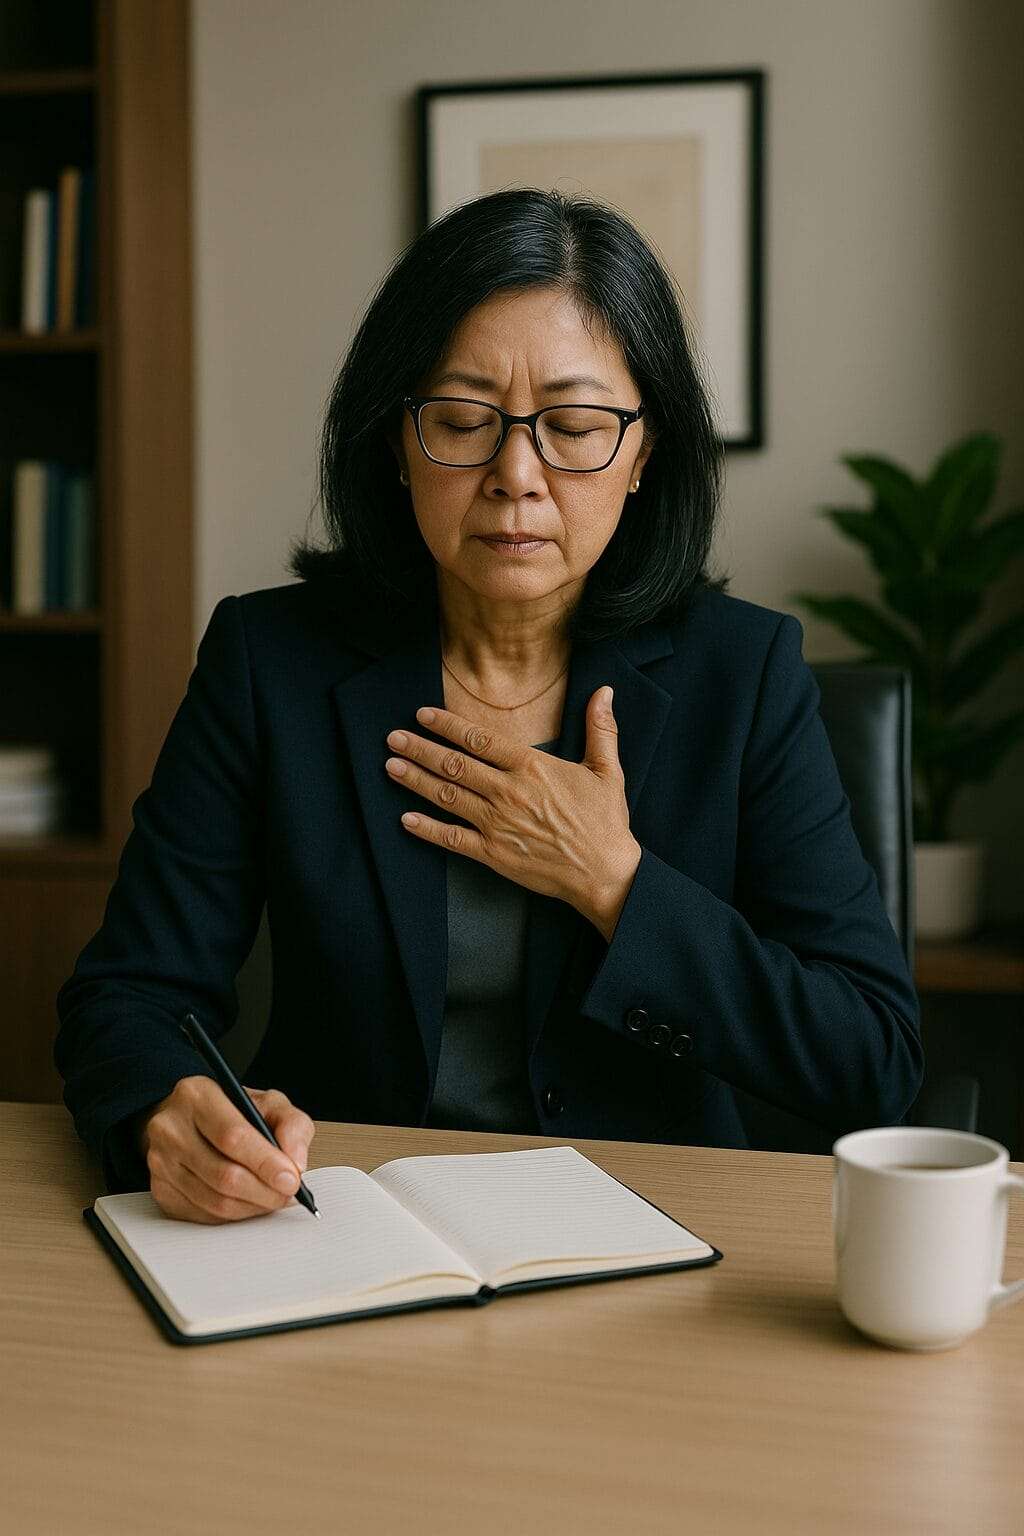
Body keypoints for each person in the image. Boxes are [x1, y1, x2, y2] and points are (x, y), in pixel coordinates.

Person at [55, 188, 923, 1225]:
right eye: (463, 421)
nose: (517, 475)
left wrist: (616, 882)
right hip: (343, 1227)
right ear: (395, 440)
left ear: (646, 451)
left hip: (650, 1233)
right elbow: (129, 995)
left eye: (573, 427)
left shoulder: (743, 676)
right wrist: (162, 1107)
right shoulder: (271, 660)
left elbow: (871, 1059)